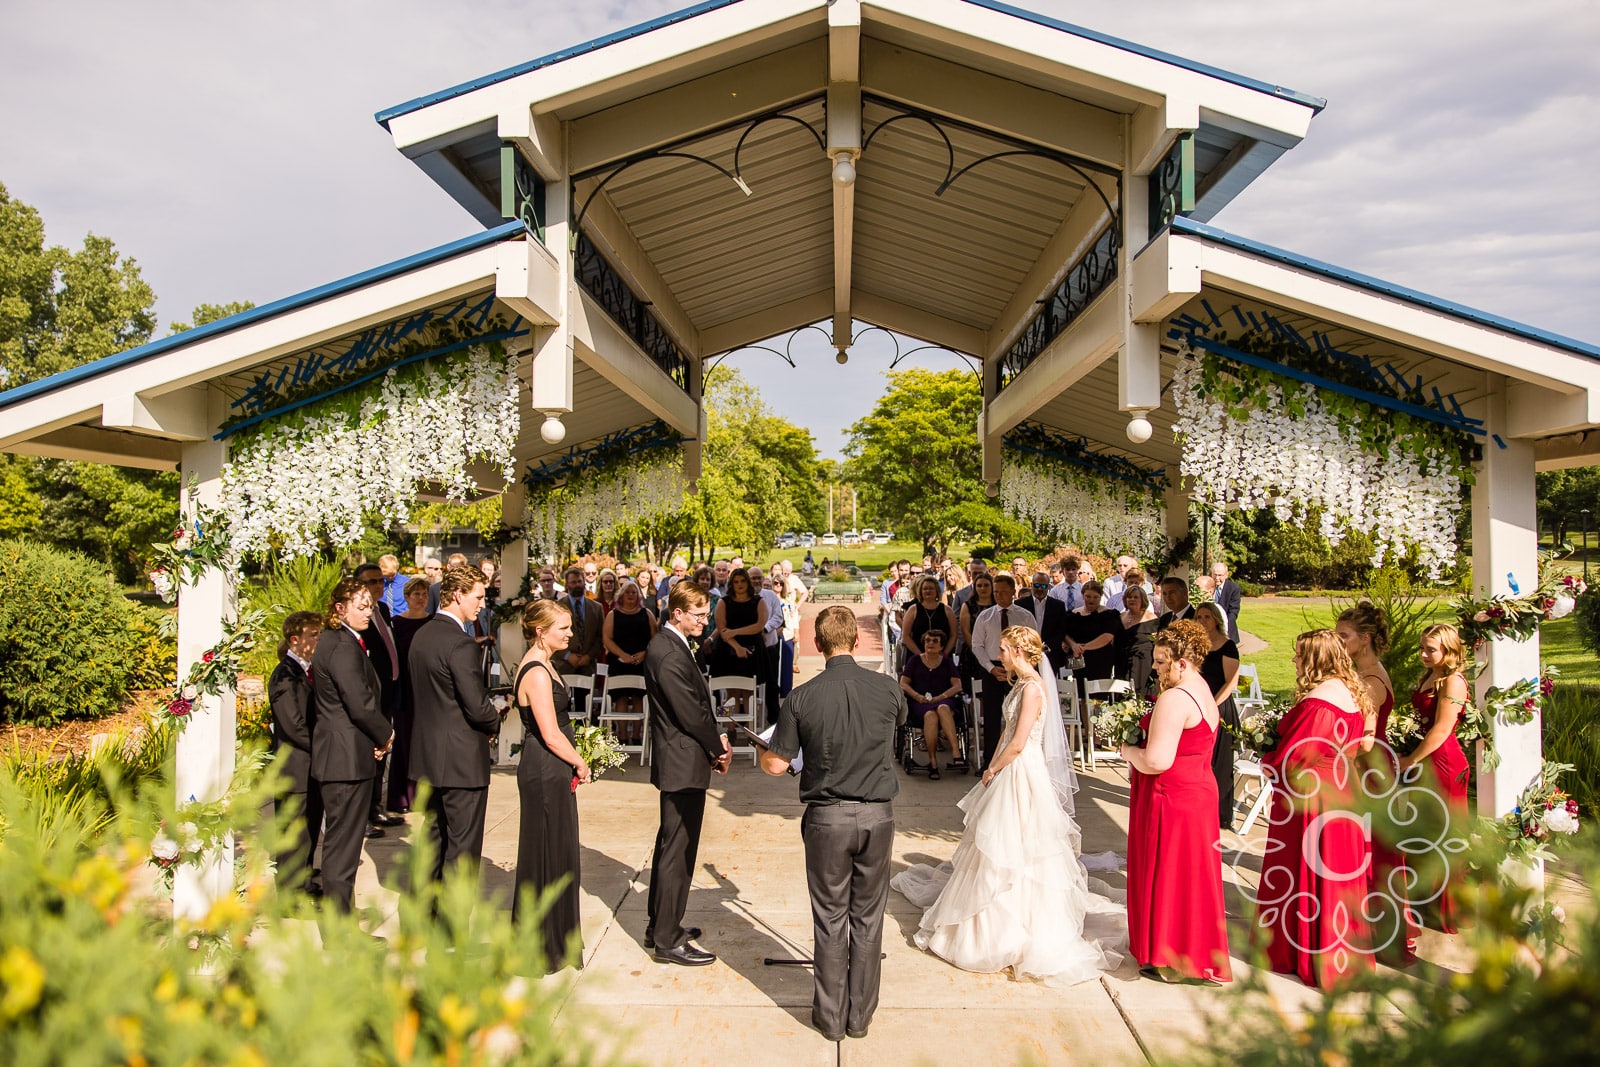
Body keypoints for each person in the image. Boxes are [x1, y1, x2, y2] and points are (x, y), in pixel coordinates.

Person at [893, 626, 1122, 986]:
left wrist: (996, 767)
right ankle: (987, 925)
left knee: (1017, 844)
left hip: (1022, 772)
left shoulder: (1032, 688)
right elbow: (1006, 732)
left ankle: (1016, 932)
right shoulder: (1018, 685)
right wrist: (991, 763)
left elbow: (1019, 741)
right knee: (997, 843)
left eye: (1003, 649)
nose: (999, 655)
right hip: (1008, 766)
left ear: (1018, 650)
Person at [760, 605, 904, 1042]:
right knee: (868, 917)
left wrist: (769, 756)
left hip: (827, 817)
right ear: (857, 642)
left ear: (817, 645)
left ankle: (830, 1019)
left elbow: (776, 762)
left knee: (830, 918)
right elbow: (892, 729)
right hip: (877, 814)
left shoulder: (801, 697)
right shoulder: (888, 689)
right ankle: (859, 1017)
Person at [1258, 630, 1374, 989]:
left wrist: (1269, 760)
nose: (1293, 661)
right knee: (1337, 875)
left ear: (1315, 660)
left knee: (1309, 872)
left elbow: (1299, 756)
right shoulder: (1350, 692)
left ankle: (1311, 954)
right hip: (1341, 789)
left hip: (1314, 796)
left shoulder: (1320, 702)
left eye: (1298, 655)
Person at [1121, 620, 1231, 983]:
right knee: (1191, 878)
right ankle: (1191, 955)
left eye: (1161, 662)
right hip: (1198, 792)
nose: (1155, 668)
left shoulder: (1174, 698)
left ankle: (1170, 959)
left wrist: (1127, 751)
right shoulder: (1203, 688)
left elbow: (1156, 761)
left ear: (1182, 663)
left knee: (1170, 876)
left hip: (1171, 795)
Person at [643, 581, 732, 965]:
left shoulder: (673, 646)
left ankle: (660, 923)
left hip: (682, 759)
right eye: (698, 614)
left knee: (671, 844)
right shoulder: (667, 653)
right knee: (677, 850)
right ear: (676, 613)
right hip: (682, 761)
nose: (705, 620)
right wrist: (718, 747)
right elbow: (690, 713)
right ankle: (667, 939)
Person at [407, 564, 500, 885]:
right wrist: (495, 720)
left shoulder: (421, 636)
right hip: (461, 761)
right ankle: (453, 926)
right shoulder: (460, 644)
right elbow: (476, 706)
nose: (482, 604)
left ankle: (424, 918)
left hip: (428, 757)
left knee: (433, 842)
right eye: (478, 596)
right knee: (462, 850)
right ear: (458, 595)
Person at [1336, 602, 1416, 964]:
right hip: (1371, 764)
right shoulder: (1363, 672)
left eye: (1344, 636)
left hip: (1369, 769)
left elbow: (1361, 737)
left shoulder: (1370, 681)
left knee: (1372, 851)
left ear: (1364, 639)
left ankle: (1378, 932)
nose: (1339, 642)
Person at [512, 599, 589, 971]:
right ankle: (540, 947)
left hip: (553, 768)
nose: (570, 634)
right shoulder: (537, 673)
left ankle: (558, 940)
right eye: (563, 628)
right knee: (544, 852)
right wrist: (580, 761)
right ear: (540, 631)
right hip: (545, 767)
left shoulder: (547, 664)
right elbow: (550, 733)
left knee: (558, 851)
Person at [310, 578, 394, 914]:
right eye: (361, 606)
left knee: (342, 848)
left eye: (370, 606)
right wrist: (384, 735)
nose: (368, 612)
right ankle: (340, 931)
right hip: (344, 760)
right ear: (339, 608)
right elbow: (359, 704)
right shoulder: (342, 646)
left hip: (344, 754)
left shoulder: (338, 640)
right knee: (342, 851)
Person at [1400, 622, 1471, 934]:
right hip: (1426, 763)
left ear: (1449, 651)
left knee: (1443, 836)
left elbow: (1441, 730)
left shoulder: (1452, 682)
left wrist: (1410, 760)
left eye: (1431, 649)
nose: (1424, 654)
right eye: (1422, 648)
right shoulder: (1430, 676)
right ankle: (1423, 903)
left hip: (1443, 763)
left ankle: (1447, 909)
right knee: (1422, 834)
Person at [269, 611, 323, 895]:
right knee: (293, 833)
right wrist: (322, 748)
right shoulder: (285, 675)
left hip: (310, 767)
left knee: (309, 828)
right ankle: (290, 895)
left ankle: (304, 883)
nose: (318, 639)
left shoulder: (308, 669)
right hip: (294, 767)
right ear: (295, 640)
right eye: (313, 634)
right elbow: (293, 725)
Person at [355, 562, 404, 832]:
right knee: (369, 753)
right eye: (371, 582)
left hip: (389, 689)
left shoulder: (383, 609)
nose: (377, 587)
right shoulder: (356, 618)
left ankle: (375, 808)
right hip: (370, 694)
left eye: (380, 582)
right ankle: (363, 815)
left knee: (382, 751)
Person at [971, 575, 1038, 766]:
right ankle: (990, 759)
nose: (999, 595)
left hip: (1017, 668)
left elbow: (1033, 642)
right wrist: (991, 668)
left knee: (1016, 714)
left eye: (1003, 591)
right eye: (996, 592)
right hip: (992, 668)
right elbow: (977, 645)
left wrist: (1019, 666)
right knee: (992, 715)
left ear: (1012, 592)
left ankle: (1015, 757)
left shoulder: (1024, 616)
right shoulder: (985, 616)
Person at [387, 576, 434, 814]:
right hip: (404, 687)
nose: (421, 598)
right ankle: (402, 796)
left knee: (425, 741)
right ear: (406, 597)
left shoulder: (433, 622)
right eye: (416, 594)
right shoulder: (395, 623)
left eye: (424, 594)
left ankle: (424, 796)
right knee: (404, 739)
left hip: (425, 688)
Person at [1195, 603, 1241, 831]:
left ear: (1216, 620)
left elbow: (1231, 681)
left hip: (1220, 707)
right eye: (1199, 617)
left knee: (1221, 762)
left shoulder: (1227, 645)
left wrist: (1213, 706)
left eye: (1207, 617)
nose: (1202, 621)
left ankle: (1221, 814)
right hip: (1198, 706)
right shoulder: (1195, 647)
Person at [899, 629, 963, 778]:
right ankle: (932, 761)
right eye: (927, 641)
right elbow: (903, 683)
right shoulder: (915, 660)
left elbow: (957, 685)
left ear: (941, 646)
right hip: (921, 702)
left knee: (942, 708)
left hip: (944, 699)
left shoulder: (946, 662)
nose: (930, 644)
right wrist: (916, 696)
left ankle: (956, 752)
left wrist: (941, 696)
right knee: (930, 716)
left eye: (935, 641)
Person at [709, 568, 767, 716]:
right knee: (730, 691)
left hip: (753, 651)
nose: (739, 584)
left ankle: (750, 730)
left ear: (747, 582)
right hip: (727, 650)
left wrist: (735, 631)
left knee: (749, 692)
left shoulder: (759, 601)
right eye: (736, 582)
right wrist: (737, 647)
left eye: (742, 581)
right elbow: (722, 630)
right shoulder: (723, 602)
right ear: (731, 584)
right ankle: (728, 729)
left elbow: (759, 626)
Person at [601, 578, 656, 734]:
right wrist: (622, 655)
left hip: (642, 662)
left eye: (634, 592)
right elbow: (606, 638)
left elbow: (655, 637)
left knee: (639, 697)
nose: (631, 595)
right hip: (619, 662)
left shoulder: (647, 614)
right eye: (627, 592)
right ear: (621, 596)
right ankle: (622, 735)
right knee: (621, 697)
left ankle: (639, 735)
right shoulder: (613, 614)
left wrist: (645, 653)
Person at [1063, 580, 1123, 704]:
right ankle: (1086, 723)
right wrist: (1073, 645)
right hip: (1079, 659)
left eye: (1095, 597)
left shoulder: (1108, 614)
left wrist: (1085, 647)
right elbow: (1065, 633)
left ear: (1100, 597)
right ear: (1083, 595)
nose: (1091, 600)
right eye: (1088, 596)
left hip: (1100, 660)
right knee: (1082, 696)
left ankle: (1098, 723)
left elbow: (1107, 636)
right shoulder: (1074, 614)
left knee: (1098, 696)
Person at [1014, 571, 1070, 677]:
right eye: (1037, 585)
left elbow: (1061, 631)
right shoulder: (1020, 605)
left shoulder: (1058, 606)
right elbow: (1016, 629)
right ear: (1031, 585)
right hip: (1026, 655)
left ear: (1048, 587)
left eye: (1043, 586)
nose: (1040, 589)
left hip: (1050, 655)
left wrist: (1046, 647)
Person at [749, 565, 785, 723]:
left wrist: (763, 629)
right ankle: (746, 717)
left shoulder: (770, 595)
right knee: (749, 684)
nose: (756, 581)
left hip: (769, 647)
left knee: (771, 684)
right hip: (749, 650)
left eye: (759, 578)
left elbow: (778, 617)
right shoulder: (742, 598)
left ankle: (774, 719)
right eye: (753, 578)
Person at [898, 575, 959, 662]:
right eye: (925, 589)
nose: (928, 591)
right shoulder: (913, 610)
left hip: (942, 658)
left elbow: (954, 635)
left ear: (936, 591)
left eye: (931, 588)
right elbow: (906, 635)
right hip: (917, 657)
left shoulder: (947, 610)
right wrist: (920, 655)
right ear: (921, 591)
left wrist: (944, 654)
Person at [1117, 584, 1159, 699]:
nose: (1132, 600)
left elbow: (1157, 643)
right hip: (1122, 663)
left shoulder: (1151, 618)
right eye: (1129, 597)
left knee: (1140, 695)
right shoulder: (1121, 616)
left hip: (1142, 663)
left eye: (1136, 597)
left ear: (1143, 600)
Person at [957, 570, 994, 696]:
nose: (983, 588)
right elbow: (966, 631)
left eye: (986, 585)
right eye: (979, 585)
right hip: (972, 653)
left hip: (995, 652)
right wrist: (978, 651)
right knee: (973, 691)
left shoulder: (997, 605)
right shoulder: (967, 606)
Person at [776, 573, 802, 698]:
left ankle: (786, 691)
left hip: (787, 635)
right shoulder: (769, 599)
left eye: (780, 583)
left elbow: (794, 617)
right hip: (774, 636)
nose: (778, 586)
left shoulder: (788, 601)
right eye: (775, 583)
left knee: (787, 663)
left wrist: (796, 632)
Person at [1210, 562, 1242, 643]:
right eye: (1215, 574)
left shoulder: (1233, 589)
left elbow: (1233, 612)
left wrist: (1222, 628)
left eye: (1220, 575)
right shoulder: (1207, 586)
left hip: (1227, 633)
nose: (1217, 578)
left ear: (1226, 575)